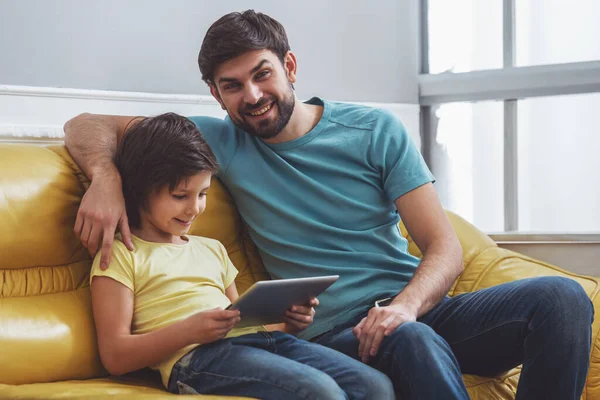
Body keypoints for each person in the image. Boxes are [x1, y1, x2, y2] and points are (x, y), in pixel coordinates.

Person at [66, 10, 594, 400]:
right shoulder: (216, 141)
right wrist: (106, 178)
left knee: (562, 298)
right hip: (336, 334)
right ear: (215, 94)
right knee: (411, 341)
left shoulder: (375, 130)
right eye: (232, 86)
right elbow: (85, 124)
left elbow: (445, 248)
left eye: (262, 73)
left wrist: (403, 307)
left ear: (290, 65)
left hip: (416, 310)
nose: (251, 95)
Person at [88, 112, 394, 399]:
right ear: (141, 190)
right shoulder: (121, 253)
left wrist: (290, 323)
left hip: (258, 343)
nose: (194, 208)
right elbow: (115, 356)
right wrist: (188, 331)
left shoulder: (212, 249)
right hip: (196, 359)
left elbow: (240, 323)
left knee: (375, 385)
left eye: (203, 193)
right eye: (180, 196)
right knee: (319, 390)